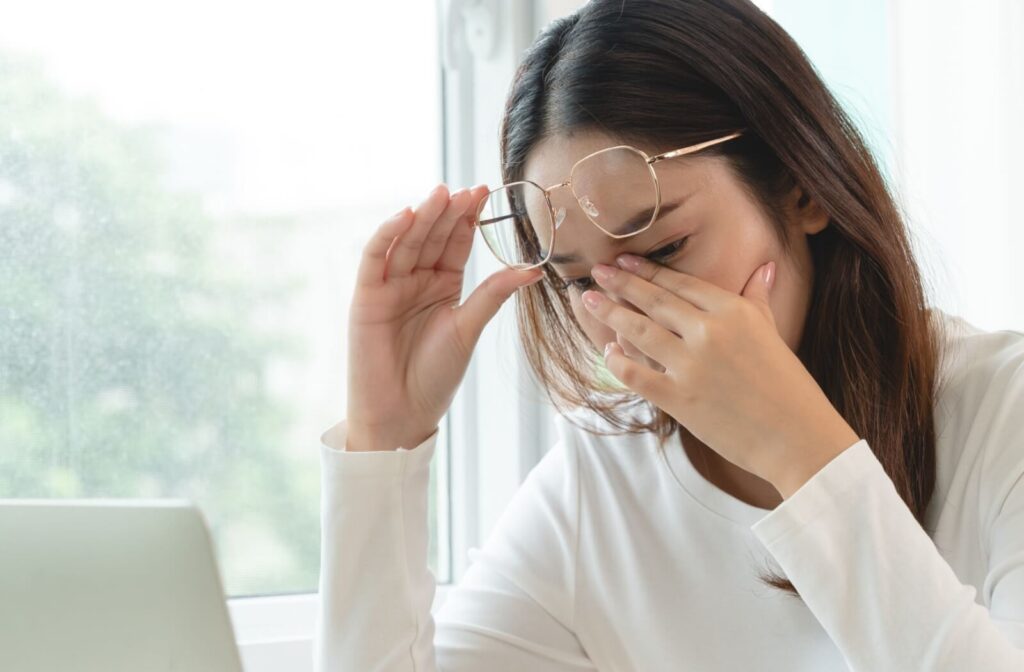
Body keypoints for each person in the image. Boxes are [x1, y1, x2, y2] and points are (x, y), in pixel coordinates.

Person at [314, 0, 1024, 669]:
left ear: (802, 188)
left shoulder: (1002, 413)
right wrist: (385, 438)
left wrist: (798, 449)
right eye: (582, 283)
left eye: (662, 252)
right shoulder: (598, 494)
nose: (625, 312)